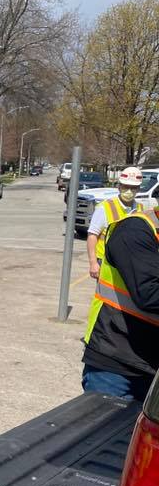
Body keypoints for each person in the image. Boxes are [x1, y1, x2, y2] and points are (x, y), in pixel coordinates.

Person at [82, 205, 159, 401]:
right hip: (117, 362)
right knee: (105, 420)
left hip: (150, 363)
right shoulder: (135, 230)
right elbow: (149, 292)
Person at [87, 166, 143, 280]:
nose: (129, 191)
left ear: (138, 189)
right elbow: (92, 235)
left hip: (129, 263)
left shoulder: (140, 208)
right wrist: (93, 263)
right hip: (106, 262)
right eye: (126, 187)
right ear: (119, 187)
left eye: (133, 188)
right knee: (107, 292)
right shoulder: (105, 207)